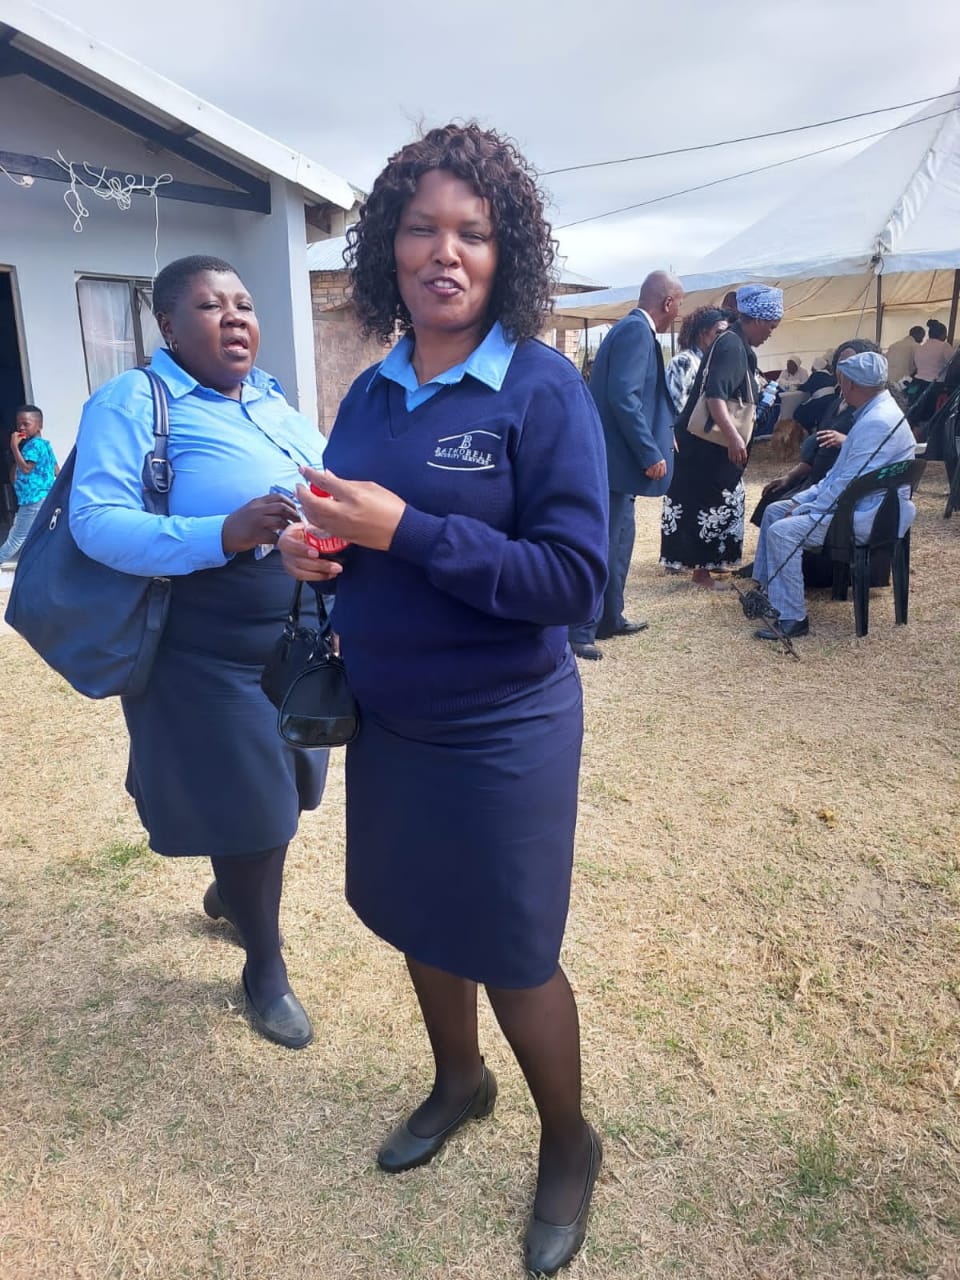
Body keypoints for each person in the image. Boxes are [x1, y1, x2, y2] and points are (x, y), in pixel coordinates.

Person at [279, 123, 608, 1278]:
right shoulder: (373, 390)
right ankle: (459, 1080)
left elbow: (573, 580)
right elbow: (347, 523)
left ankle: (569, 1138)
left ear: (506, 252)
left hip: (504, 724)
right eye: (421, 228)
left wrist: (407, 531)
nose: (445, 252)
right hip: (394, 718)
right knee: (422, 915)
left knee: (512, 945)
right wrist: (318, 553)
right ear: (390, 247)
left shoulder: (542, 388)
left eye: (472, 231)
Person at [69, 255, 330, 1051]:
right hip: (201, 647)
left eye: (244, 303)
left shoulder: (273, 402)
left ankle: (230, 889)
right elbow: (95, 520)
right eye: (212, 306)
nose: (236, 317)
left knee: (295, 785)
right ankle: (264, 969)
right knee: (261, 811)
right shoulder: (132, 402)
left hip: (295, 632)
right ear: (169, 327)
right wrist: (223, 532)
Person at [751, 351, 916, 640]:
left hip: (867, 514)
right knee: (775, 510)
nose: (840, 388)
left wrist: (805, 509)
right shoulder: (879, 411)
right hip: (864, 504)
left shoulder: (876, 421)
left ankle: (792, 617)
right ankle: (768, 591)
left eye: (841, 382)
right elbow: (839, 476)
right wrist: (801, 500)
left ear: (851, 384)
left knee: (782, 531)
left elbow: (846, 484)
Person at [568, 269, 684, 660]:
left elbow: (637, 398)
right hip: (616, 462)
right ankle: (580, 630)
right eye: (679, 303)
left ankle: (609, 617)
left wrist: (661, 434)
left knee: (620, 542)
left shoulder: (632, 329)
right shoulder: (636, 331)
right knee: (602, 543)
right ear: (667, 302)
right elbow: (624, 397)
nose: (679, 311)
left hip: (617, 464)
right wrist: (649, 452)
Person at [659, 284, 783, 589]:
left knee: (716, 501)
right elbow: (715, 397)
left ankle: (708, 568)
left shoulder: (735, 342)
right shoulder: (731, 344)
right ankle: (702, 574)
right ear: (757, 319)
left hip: (706, 446)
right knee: (708, 503)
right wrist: (734, 438)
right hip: (707, 446)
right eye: (770, 326)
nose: (771, 333)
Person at [0, 405, 58, 562]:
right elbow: (56, 470)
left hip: (33, 499)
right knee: (40, 533)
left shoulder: (32, 446)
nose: (21, 428)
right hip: (45, 497)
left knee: (16, 538)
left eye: (26, 424)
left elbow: (26, 469)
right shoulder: (45, 444)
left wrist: (14, 447)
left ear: (39, 426)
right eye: (18, 424)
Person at [665, 307, 728, 414]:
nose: (723, 338)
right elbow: (677, 405)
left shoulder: (716, 363)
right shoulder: (684, 362)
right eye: (718, 332)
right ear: (702, 333)